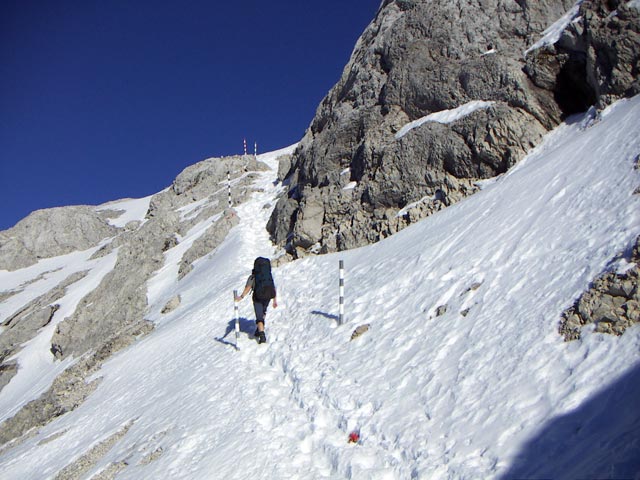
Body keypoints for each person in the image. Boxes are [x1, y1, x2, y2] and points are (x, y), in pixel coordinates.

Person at [235, 257, 278, 344]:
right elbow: (273, 287)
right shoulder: (268, 275)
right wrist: (274, 300)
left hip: (258, 297)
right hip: (268, 296)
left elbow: (248, 287)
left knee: (259, 317)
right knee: (263, 312)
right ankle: (259, 329)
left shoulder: (253, 277)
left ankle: (262, 335)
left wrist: (241, 296)